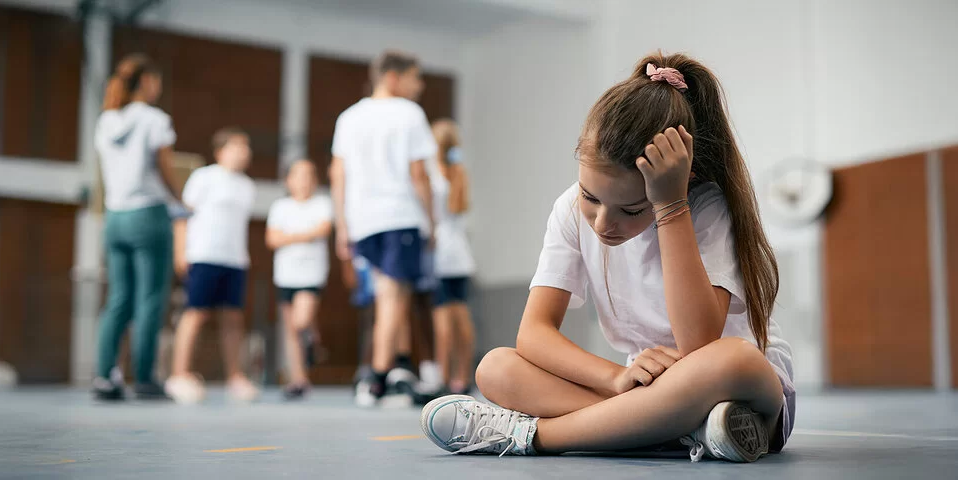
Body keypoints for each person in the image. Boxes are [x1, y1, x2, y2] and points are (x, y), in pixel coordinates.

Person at [419, 52, 794, 464]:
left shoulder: (704, 206)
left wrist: (670, 206)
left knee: (733, 358)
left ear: (679, 179)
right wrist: (615, 378)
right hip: (645, 389)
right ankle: (682, 429)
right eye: (590, 197)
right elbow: (534, 334)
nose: (602, 223)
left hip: (736, 387)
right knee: (496, 368)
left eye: (632, 210)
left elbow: (700, 343)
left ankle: (534, 434)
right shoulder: (566, 210)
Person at [329, 50, 437, 407]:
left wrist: (342, 225)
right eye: (414, 78)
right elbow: (419, 174)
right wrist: (432, 220)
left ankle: (401, 368)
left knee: (393, 293)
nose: (419, 86)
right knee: (393, 296)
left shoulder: (349, 117)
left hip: (364, 221)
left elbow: (338, 173)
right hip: (399, 215)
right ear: (393, 77)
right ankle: (375, 377)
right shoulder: (409, 114)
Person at [92, 54, 184, 401]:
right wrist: (180, 199)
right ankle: (144, 378)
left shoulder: (106, 120)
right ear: (146, 81)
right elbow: (163, 164)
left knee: (118, 298)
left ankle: (105, 376)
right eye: (156, 81)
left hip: (114, 217)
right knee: (149, 299)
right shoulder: (154, 119)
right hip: (148, 214)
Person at [165, 128, 259, 404]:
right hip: (203, 255)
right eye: (238, 146)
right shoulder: (203, 177)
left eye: (247, 147)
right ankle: (179, 374)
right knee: (195, 313)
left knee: (233, 318)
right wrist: (180, 251)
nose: (245, 152)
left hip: (234, 260)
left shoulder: (247, 186)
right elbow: (183, 215)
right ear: (221, 151)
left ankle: (235, 376)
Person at [265, 159, 333, 400]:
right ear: (288, 180)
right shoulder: (280, 206)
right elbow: (272, 239)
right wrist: (306, 235)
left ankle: (313, 339)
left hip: (311, 273)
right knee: (290, 330)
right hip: (286, 274)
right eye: (298, 175)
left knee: (301, 321)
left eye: (309, 176)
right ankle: (299, 379)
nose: (303, 181)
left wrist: (289, 236)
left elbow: (323, 230)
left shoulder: (322, 203)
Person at [427, 119, 478, 396]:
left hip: (440, 254)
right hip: (461, 254)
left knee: (442, 320)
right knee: (461, 316)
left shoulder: (433, 174)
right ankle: (462, 377)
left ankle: (443, 379)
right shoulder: (459, 173)